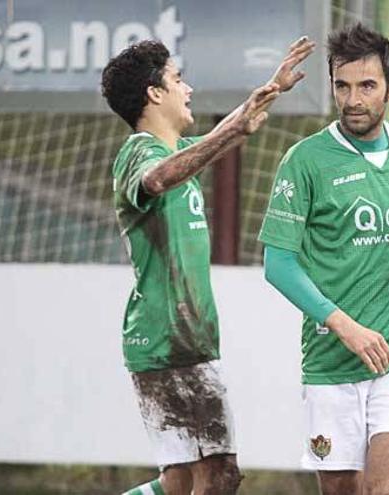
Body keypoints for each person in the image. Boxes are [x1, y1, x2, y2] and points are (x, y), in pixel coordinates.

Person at [102, 36, 314, 495]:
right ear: (155, 94)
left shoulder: (176, 156)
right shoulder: (140, 152)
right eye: (178, 80)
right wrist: (230, 129)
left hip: (176, 339)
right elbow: (160, 177)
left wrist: (267, 93)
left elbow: (222, 139)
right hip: (170, 339)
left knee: (178, 482)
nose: (188, 89)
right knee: (219, 475)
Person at [258, 23, 389, 495]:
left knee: (382, 489)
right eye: (342, 86)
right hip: (332, 355)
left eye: (367, 86)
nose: (353, 99)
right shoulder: (304, 160)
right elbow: (278, 264)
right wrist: (345, 325)